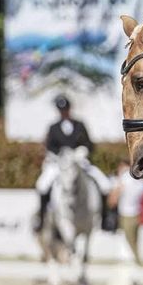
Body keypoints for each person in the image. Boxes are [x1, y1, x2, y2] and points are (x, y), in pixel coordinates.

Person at [33, 94, 111, 231]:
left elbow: (89, 144)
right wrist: (61, 155)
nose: (64, 112)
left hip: (79, 162)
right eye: (61, 110)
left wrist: (82, 151)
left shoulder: (80, 125)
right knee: (42, 185)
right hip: (60, 164)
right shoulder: (54, 128)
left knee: (104, 183)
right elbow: (50, 146)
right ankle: (42, 217)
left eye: (66, 109)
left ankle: (105, 218)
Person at [108, 159, 143, 265]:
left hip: (126, 214)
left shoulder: (124, 177)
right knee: (136, 240)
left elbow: (113, 200)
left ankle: (138, 262)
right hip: (138, 213)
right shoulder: (141, 179)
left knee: (130, 240)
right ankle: (139, 260)